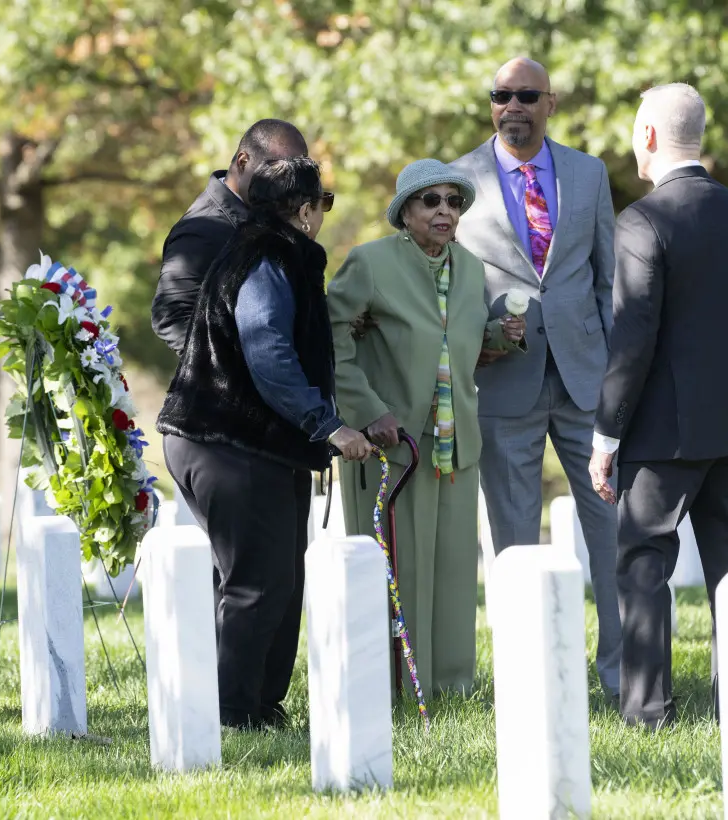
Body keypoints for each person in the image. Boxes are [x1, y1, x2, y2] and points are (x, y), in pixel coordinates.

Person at [588, 83, 728, 730]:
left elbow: (632, 338)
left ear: (648, 137)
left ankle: (647, 711)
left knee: (643, 562)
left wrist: (607, 436)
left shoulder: (643, 221)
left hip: (664, 434)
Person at [155, 157, 370, 730]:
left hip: (235, 441)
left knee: (274, 577)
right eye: (323, 204)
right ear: (303, 210)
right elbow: (268, 351)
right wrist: (327, 425)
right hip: (229, 440)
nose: (324, 214)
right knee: (256, 582)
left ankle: (260, 705)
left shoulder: (262, 249)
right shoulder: (270, 256)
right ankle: (231, 715)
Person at [450, 57, 622, 700]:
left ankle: (624, 677)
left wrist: (617, 378)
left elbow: (608, 282)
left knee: (612, 531)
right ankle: (527, 684)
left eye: (526, 95)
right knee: (513, 537)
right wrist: (475, 342)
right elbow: (448, 285)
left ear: (550, 102)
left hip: (586, 382)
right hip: (503, 381)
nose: (512, 105)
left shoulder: (589, 173)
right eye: (500, 95)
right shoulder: (456, 180)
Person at [326, 159, 526, 696]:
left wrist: (502, 335)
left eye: (453, 201)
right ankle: (393, 688)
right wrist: (368, 412)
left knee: (454, 571)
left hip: (454, 446)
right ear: (405, 213)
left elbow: (461, 348)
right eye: (430, 201)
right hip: (391, 448)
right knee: (398, 570)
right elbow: (332, 344)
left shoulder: (469, 268)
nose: (444, 210)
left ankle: (452, 688)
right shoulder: (368, 263)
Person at [151, 119, 308, 356]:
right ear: (243, 161)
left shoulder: (270, 219)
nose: (287, 186)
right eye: (276, 173)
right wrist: (238, 377)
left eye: (294, 176)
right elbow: (171, 317)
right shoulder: (201, 229)